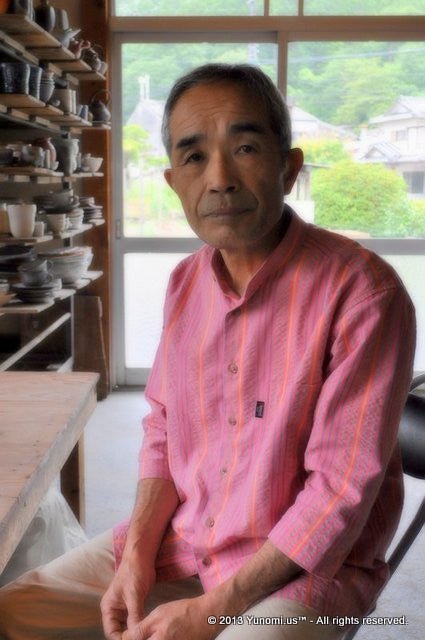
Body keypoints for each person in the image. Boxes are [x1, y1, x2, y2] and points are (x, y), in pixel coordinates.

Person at [0, 64, 416, 640]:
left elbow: (339, 492)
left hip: (304, 571)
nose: (219, 179)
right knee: (16, 611)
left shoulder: (364, 292)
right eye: (194, 157)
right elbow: (163, 432)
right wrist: (136, 556)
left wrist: (210, 611)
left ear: (289, 167)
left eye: (245, 148)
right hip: (189, 540)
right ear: (174, 183)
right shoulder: (184, 284)